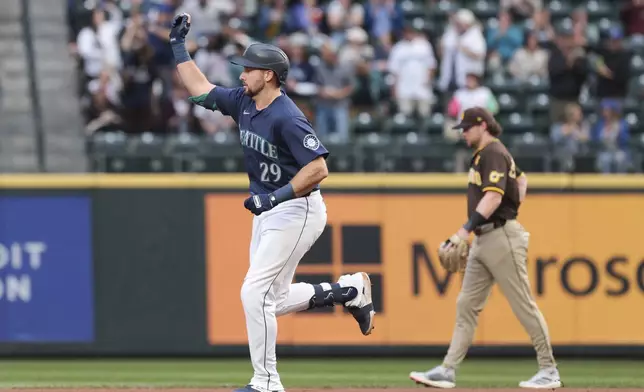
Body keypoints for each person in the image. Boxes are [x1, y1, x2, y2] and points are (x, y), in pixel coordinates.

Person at [169, 13, 376, 392]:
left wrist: (275, 197)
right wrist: (179, 48)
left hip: (297, 209)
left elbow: (318, 168)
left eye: (248, 69)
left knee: (254, 293)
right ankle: (348, 291)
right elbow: (199, 90)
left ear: (268, 75)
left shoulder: (288, 117)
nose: (242, 74)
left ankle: (266, 383)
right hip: (269, 210)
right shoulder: (243, 102)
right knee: (272, 300)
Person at [409, 107, 562, 389]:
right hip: (484, 238)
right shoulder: (488, 154)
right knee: (466, 304)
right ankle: (447, 369)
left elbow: (493, 196)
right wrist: (512, 203)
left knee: (523, 304)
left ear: (483, 125)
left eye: (467, 128)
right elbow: (522, 179)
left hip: (501, 235)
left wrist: (464, 231)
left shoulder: (492, 151)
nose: (463, 133)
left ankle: (549, 369)